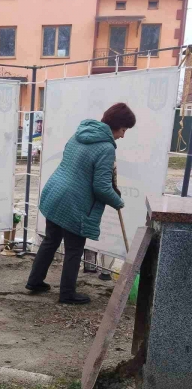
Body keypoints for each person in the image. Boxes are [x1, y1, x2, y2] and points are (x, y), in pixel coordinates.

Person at [26, 103, 136, 305]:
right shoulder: (106, 148)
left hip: (55, 193)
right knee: (74, 249)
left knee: (50, 240)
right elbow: (101, 187)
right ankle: (67, 294)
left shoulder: (80, 133)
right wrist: (118, 202)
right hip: (74, 203)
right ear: (116, 125)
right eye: (123, 130)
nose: (123, 135)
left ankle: (34, 281)